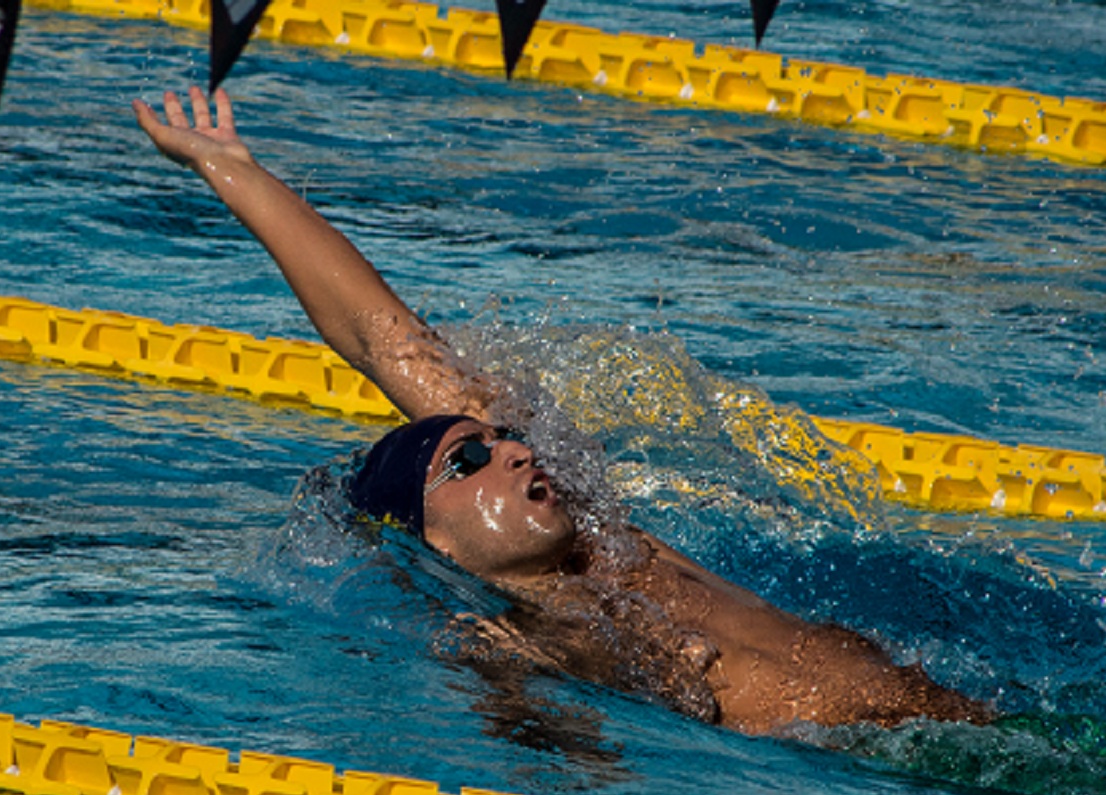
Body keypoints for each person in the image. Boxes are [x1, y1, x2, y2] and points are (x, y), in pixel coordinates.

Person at [132, 86, 992, 735]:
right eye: (465, 464)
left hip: (970, 723)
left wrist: (231, 169)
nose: (508, 452)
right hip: (906, 780)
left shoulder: (607, 537)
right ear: (432, 540)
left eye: (500, 440)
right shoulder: (518, 646)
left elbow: (381, 339)